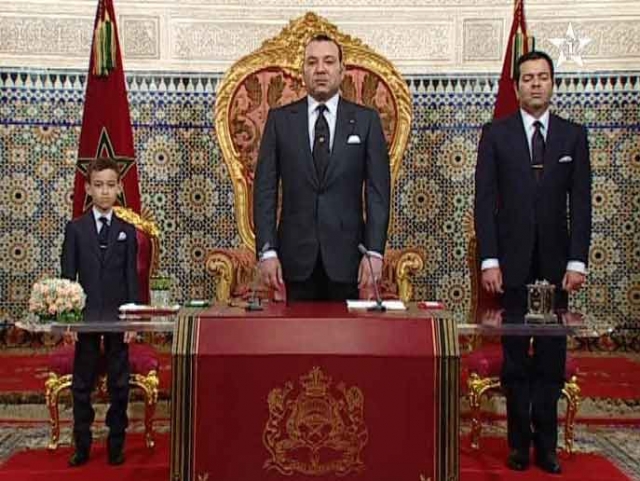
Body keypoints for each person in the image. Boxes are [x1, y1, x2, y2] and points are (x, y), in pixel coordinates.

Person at [474, 50, 591, 474]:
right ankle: (519, 445)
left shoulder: (573, 136)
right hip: (511, 266)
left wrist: (577, 261)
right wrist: (490, 260)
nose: (536, 84)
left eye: (543, 77)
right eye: (528, 78)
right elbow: (485, 201)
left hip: (557, 268)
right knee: (515, 360)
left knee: (550, 360)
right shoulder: (496, 134)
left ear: (552, 83)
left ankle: (548, 447)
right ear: (517, 86)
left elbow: (581, 204)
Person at [253, 34, 390, 301]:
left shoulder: (366, 121)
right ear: (302, 71)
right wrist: (267, 251)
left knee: (346, 330)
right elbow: (265, 191)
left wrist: (374, 252)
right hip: (293, 261)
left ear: (341, 70)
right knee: (295, 330)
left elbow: (378, 194)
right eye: (312, 62)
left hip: (348, 260)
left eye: (328, 61)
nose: (320, 69)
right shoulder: (280, 121)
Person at [61, 157, 139, 466]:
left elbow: (131, 278)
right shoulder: (76, 229)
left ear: (119, 188)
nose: (104, 192)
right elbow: (68, 278)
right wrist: (68, 322)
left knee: (120, 384)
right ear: (88, 189)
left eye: (110, 185)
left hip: (118, 319)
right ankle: (82, 444)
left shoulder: (127, 230)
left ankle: (116, 444)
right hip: (86, 319)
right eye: (98, 185)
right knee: (82, 384)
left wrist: (132, 320)